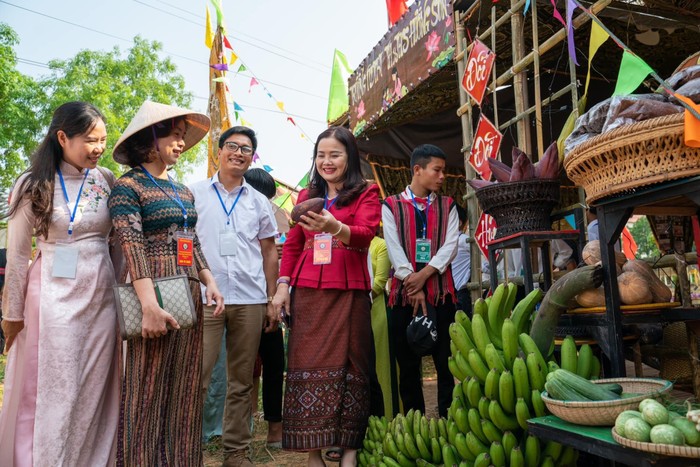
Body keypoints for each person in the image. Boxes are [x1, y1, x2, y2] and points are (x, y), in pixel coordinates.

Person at [0, 102, 120, 466]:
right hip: (51, 297)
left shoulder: (106, 180)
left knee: (94, 388)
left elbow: (117, 245)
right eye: (90, 140)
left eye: (103, 140)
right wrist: (12, 313)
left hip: (101, 296)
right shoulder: (33, 183)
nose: (98, 148)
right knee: (55, 387)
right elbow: (18, 255)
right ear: (63, 137)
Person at [108, 100, 224, 466]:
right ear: (150, 139)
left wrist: (209, 281)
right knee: (147, 387)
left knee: (185, 386)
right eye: (173, 135)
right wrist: (149, 306)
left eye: (181, 136)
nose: (180, 142)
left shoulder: (182, 191)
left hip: (187, 289)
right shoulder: (128, 187)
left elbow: (192, 240)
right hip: (153, 292)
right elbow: (132, 246)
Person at [272, 126, 381, 467]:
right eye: (321, 155)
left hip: (349, 292)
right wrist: (282, 286)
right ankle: (313, 455)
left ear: (349, 157)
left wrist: (334, 227)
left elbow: (365, 235)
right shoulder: (306, 196)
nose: (326, 161)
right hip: (307, 293)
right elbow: (291, 246)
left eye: (335, 154)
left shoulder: (367, 192)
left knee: (354, 367)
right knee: (306, 366)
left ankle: (349, 452)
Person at [190, 128, 279, 467]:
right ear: (219, 151)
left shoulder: (259, 202)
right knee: (197, 376)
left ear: (252, 157)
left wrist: (271, 299)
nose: (239, 153)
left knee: (241, 380)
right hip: (206, 297)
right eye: (233, 146)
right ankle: (189, 449)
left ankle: (236, 453)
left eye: (247, 149)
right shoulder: (194, 194)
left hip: (249, 298)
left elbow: (269, 251)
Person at [382, 143, 459, 419]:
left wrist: (423, 276)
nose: (442, 176)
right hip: (403, 297)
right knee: (408, 364)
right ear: (418, 169)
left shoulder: (449, 205)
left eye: (443, 171)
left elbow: (451, 246)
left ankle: (449, 420)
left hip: (440, 294)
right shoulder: (390, 205)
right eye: (437, 170)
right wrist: (409, 282)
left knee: (446, 362)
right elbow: (393, 247)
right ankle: (416, 423)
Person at [243, 167, 285, 449]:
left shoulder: (273, 218)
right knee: (241, 369)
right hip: (240, 300)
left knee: (274, 364)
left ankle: (275, 428)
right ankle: (238, 429)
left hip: (268, 299)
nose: (265, 203)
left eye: (268, 198)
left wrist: (274, 301)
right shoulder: (234, 214)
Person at [452, 205, 472, 316]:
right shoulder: (448, 242)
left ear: (459, 223)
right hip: (452, 294)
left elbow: (481, 260)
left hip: (460, 294)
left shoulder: (463, 240)